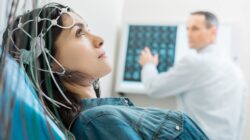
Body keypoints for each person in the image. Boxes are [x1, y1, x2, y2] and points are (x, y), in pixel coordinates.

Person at [2, 3, 209, 140]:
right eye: (79, 33)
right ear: (49, 61)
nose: (98, 38)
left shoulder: (103, 116)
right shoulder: (97, 121)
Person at [139, 11, 247, 140]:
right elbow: (240, 120)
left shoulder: (195, 63)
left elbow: (153, 87)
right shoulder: (236, 70)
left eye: (195, 29)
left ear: (213, 32)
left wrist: (148, 65)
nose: (189, 34)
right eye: (187, 29)